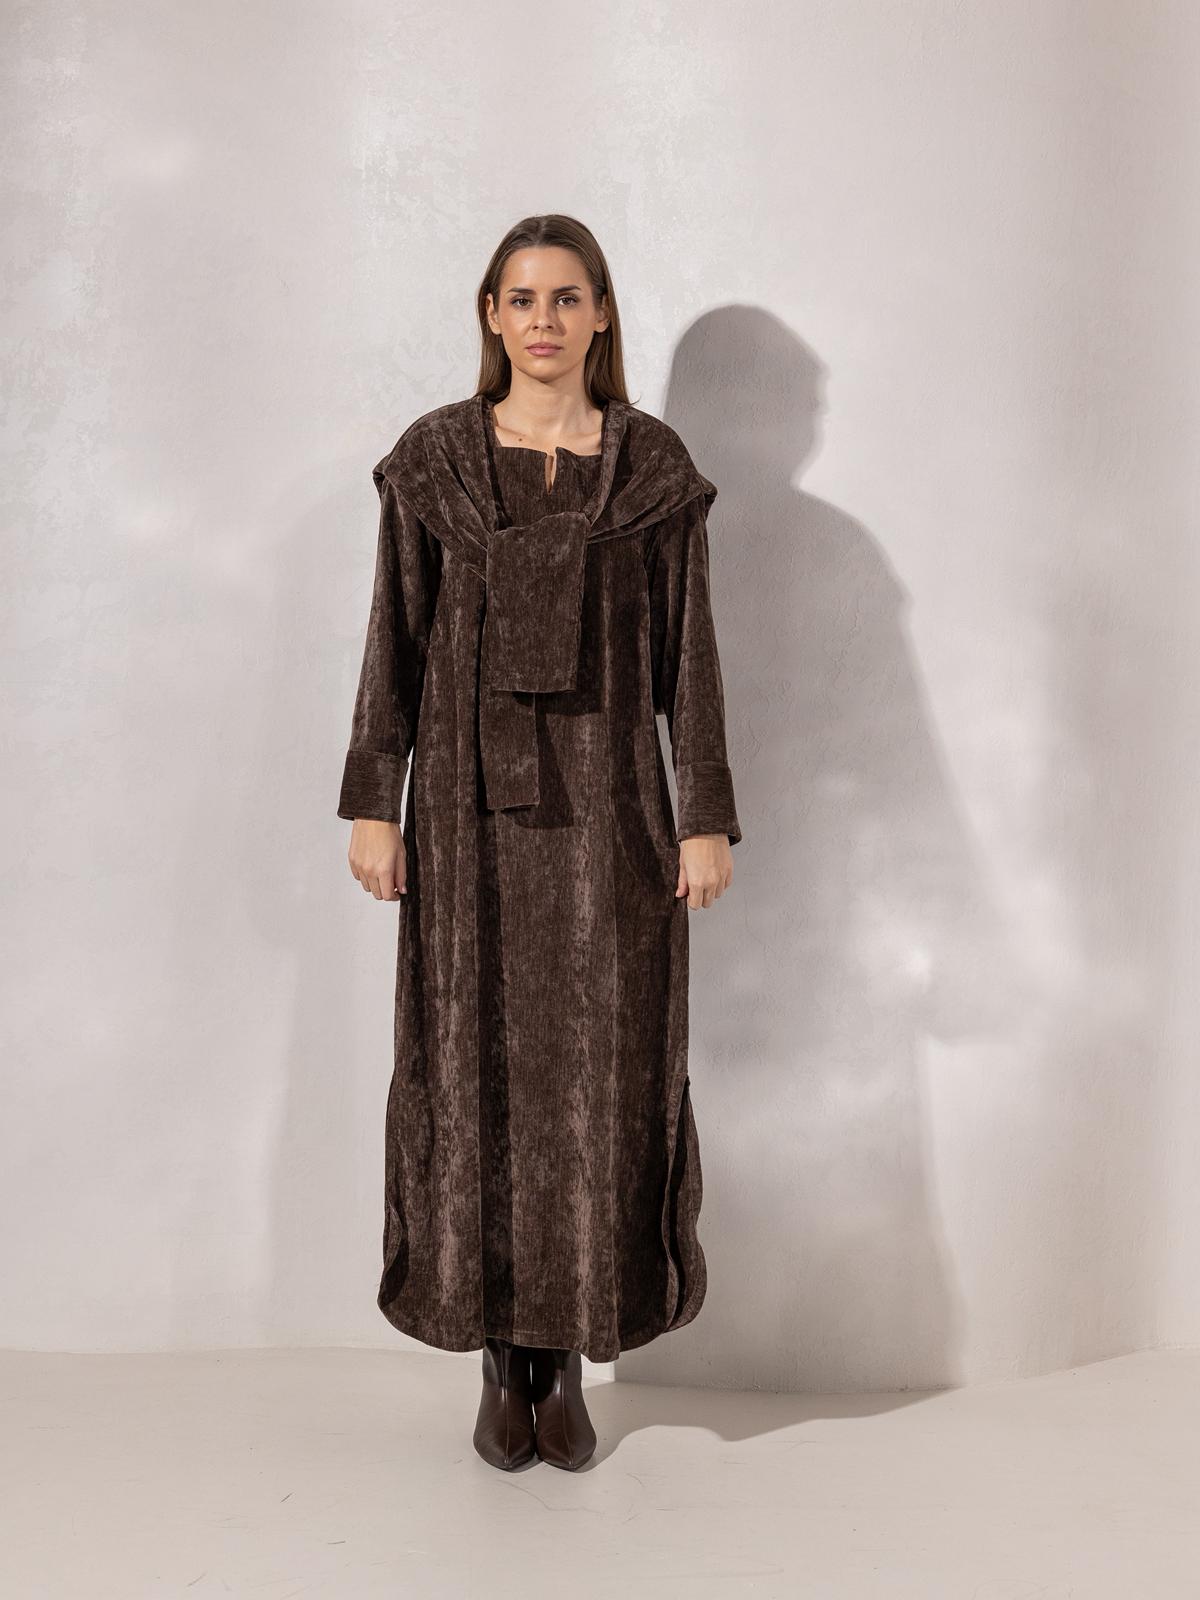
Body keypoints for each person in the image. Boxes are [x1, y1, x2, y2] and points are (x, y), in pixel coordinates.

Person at [336, 214, 742, 1471]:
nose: (544, 320)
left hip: (614, 819)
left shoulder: (651, 471)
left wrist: (703, 814)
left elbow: (689, 654)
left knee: (596, 1080)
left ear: (602, 312)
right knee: (475, 1074)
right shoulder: (436, 464)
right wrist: (374, 801)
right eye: (521, 298)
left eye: (567, 297)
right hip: (466, 820)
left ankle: (561, 1363)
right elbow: (395, 638)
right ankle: (496, 1364)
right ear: (491, 315)